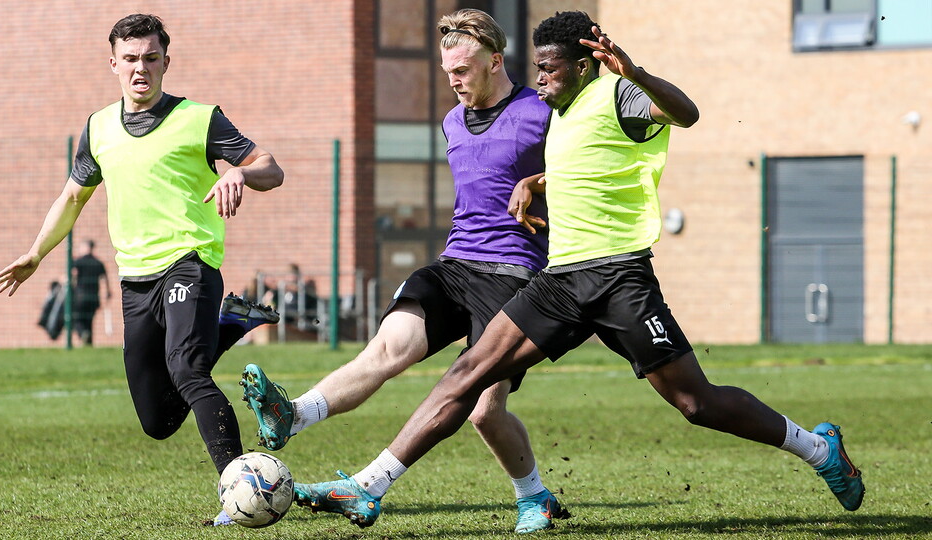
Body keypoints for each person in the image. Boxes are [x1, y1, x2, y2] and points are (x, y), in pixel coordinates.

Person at [282, 10, 865, 529]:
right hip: (560, 280)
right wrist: (535, 182)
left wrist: (635, 73)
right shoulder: (556, 112)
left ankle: (818, 449)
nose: (539, 78)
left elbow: (685, 114)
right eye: (536, 67)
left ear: (584, 65)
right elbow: (584, 164)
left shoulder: (619, 95)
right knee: (467, 374)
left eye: (550, 68)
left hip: (620, 279)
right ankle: (369, 486)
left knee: (696, 404)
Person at [240, 9, 568, 534]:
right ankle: (294, 413)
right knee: (386, 349)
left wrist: (539, 182)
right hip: (454, 265)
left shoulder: (542, 112)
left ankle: (534, 497)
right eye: (447, 71)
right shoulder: (452, 121)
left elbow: (586, 167)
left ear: (495, 61)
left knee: (485, 411)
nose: (453, 80)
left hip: (515, 275)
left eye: (462, 69)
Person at [0, 14, 283, 526]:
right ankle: (231, 322)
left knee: (188, 371)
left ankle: (239, 490)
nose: (140, 68)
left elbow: (270, 168)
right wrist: (36, 253)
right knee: (157, 419)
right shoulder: (98, 127)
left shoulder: (200, 118)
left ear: (167, 62)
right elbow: (72, 197)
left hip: (190, 263)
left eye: (151, 58)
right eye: (130, 59)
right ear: (113, 64)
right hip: (135, 280)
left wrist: (239, 172)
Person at [71, 239, 111, 345]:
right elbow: (105, 279)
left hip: (80, 296)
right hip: (94, 298)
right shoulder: (98, 263)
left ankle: (83, 333)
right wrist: (108, 292)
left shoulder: (78, 262)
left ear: (86, 247)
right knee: (89, 321)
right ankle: (88, 343)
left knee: (75, 318)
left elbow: (72, 276)